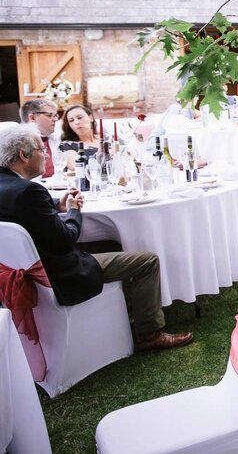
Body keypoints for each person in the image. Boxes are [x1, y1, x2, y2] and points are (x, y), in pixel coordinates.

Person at [0, 125, 192, 351]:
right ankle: (149, 333)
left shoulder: (12, 188)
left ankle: (126, 313)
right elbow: (66, 240)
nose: (45, 155)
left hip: (18, 274)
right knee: (147, 261)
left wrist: (54, 205)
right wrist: (73, 212)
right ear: (24, 155)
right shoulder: (29, 192)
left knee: (108, 244)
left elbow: (21, 209)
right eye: (42, 150)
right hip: (59, 276)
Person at [20, 99, 60, 178]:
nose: (55, 119)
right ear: (32, 118)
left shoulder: (57, 138)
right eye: (49, 115)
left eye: (55, 115)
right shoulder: (18, 145)